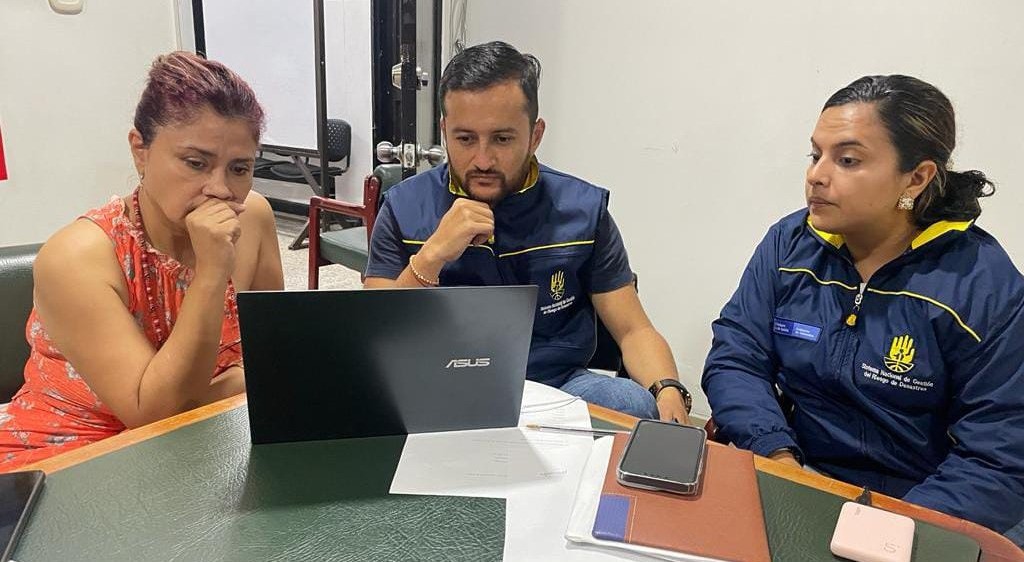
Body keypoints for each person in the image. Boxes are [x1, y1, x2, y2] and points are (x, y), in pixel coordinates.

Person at [702, 74, 1024, 538]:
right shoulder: (790, 244)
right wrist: (778, 457)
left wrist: (882, 526)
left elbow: (999, 456)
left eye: (847, 160)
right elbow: (737, 356)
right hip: (799, 470)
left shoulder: (982, 285)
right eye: (815, 155)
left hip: (923, 503)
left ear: (917, 177)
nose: (817, 175)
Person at [364, 41, 688, 422]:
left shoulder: (583, 211)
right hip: (439, 386)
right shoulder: (403, 208)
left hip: (557, 387)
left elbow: (633, 330)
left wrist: (668, 391)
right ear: (444, 131)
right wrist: (432, 255)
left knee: (632, 403)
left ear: (535, 135)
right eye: (465, 139)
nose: (483, 160)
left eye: (502, 139)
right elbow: (379, 338)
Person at [0, 51, 283, 469]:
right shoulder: (76, 257)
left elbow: (274, 355)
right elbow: (156, 415)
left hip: (207, 437)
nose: (220, 189)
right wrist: (212, 270)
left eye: (239, 168)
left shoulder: (253, 216)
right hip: (71, 456)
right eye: (195, 163)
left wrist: (238, 386)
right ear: (140, 150)